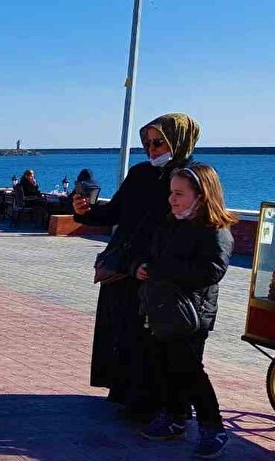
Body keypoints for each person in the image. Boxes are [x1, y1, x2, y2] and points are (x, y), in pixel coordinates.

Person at [73, 112, 201, 419]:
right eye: (148, 143)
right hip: (124, 267)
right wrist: (85, 212)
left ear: (179, 141)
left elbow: (196, 227)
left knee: (151, 339)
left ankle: (153, 405)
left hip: (159, 271)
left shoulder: (192, 177)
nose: (152, 149)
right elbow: (114, 213)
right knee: (121, 331)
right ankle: (124, 392)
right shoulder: (141, 173)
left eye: (159, 143)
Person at [133, 163, 235, 459]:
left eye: (179, 194)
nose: (172, 199)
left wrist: (159, 270)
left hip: (192, 314)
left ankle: (212, 426)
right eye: (171, 193)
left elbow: (211, 271)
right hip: (162, 308)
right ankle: (174, 416)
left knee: (190, 370)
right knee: (165, 365)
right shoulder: (170, 223)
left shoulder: (215, 230)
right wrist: (138, 267)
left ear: (201, 196)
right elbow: (151, 256)